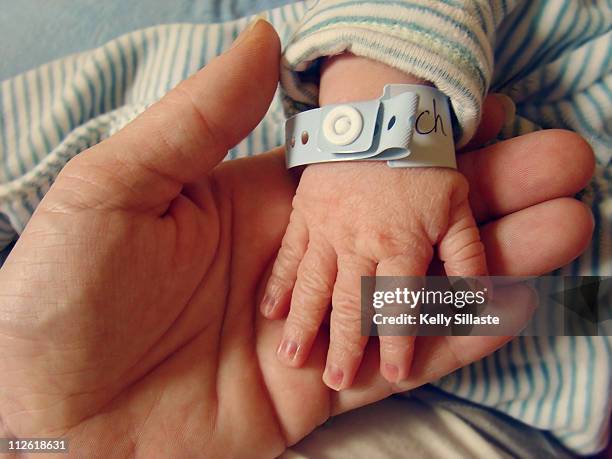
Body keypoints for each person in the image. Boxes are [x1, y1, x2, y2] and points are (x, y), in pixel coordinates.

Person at [0, 22, 596, 457]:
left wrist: (30, 435)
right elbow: (383, 15)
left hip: (503, 367)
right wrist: (374, 138)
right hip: (229, 158)